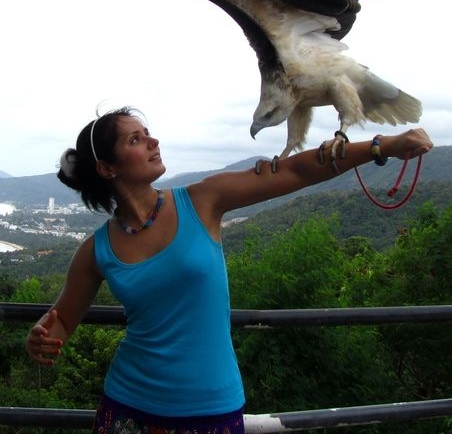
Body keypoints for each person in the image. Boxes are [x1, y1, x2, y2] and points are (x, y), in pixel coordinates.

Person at [25, 107, 433, 434]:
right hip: (127, 408)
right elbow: (60, 323)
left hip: (211, 409)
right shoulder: (95, 251)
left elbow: (295, 171)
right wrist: (40, 339)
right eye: (135, 139)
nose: (153, 141)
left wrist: (383, 145)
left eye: (148, 133)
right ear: (107, 168)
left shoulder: (203, 200)